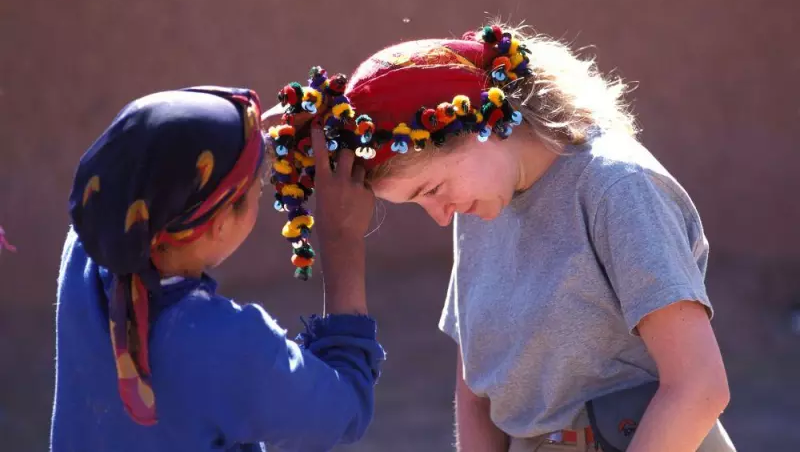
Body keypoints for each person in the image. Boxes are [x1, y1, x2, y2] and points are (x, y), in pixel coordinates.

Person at [262, 23, 735, 451]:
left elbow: (698, 387)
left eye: (433, 189)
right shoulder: (482, 202)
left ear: (481, 126)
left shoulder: (617, 188)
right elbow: (478, 380)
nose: (441, 217)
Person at [51, 86, 385, 452]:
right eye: (259, 185)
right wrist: (342, 239)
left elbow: (154, 155)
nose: (264, 183)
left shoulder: (89, 251)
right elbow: (346, 405)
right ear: (218, 224)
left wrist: (249, 138)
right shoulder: (227, 346)